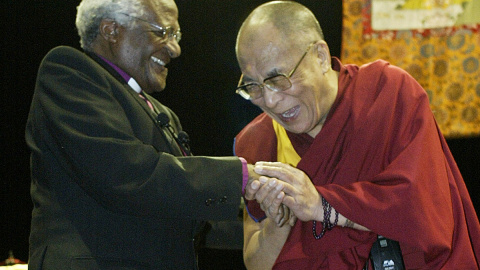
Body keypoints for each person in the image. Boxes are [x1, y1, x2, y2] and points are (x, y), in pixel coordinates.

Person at [233, 1, 480, 269]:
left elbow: (425, 212)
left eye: (278, 78)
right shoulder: (257, 143)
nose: (269, 100)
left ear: (320, 56)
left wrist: (321, 206)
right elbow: (256, 262)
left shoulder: (388, 94)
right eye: (252, 86)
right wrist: (279, 220)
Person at [25, 0, 262, 268]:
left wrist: (269, 216)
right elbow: (123, 172)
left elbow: (191, 215)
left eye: (176, 35)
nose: (175, 48)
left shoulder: (163, 113)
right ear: (111, 30)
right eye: (162, 32)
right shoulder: (69, 72)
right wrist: (240, 175)